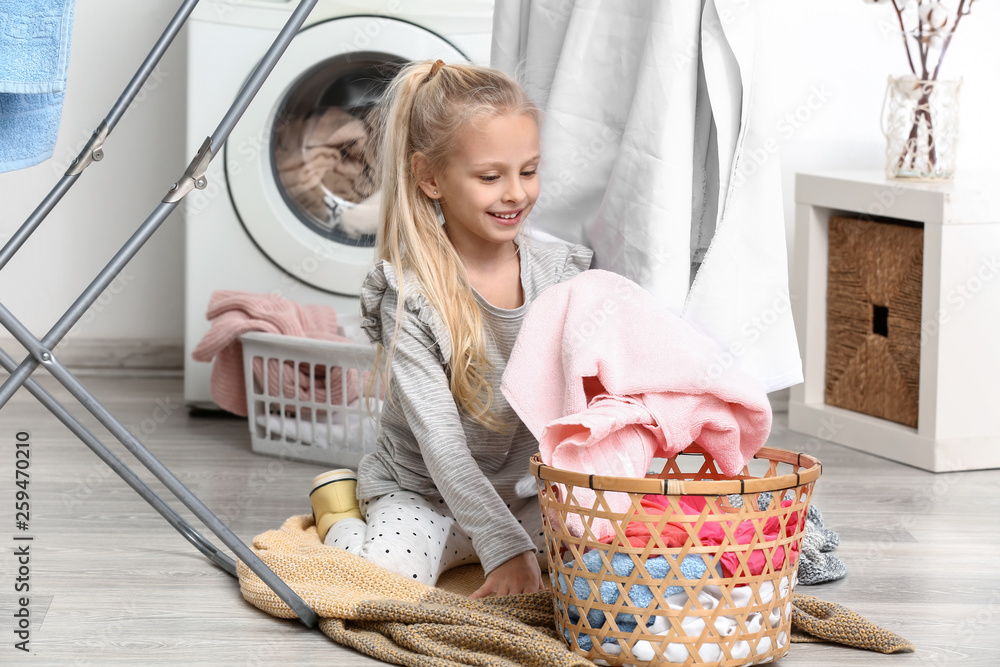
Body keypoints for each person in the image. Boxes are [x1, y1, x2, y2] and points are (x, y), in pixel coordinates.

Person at [308, 59, 592, 598]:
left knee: (601, 558)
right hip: (421, 494)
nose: (516, 193)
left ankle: (497, 545)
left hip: (521, 499)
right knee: (377, 590)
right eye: (490, 177)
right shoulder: (409, 297)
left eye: (528, 171)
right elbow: (442, 446)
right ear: (430, 177)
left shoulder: (561, 275)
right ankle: (340, 511)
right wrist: (506, 552)